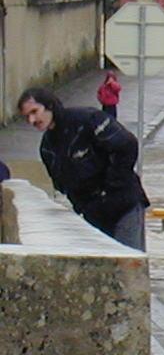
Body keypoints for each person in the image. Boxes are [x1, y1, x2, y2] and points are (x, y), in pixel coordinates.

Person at [16, 85, 149, 250]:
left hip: (124, 206)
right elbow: (62, 186)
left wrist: (112, 186)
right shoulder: (47, 148)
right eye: (27, 116)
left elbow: (126, 145)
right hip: (93, 215)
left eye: (34, 112)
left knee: (129, 263)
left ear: (49, 105)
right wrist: (83, 207)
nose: (31, 120)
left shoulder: (87, 120)